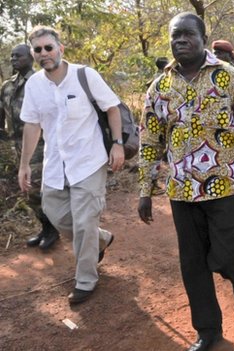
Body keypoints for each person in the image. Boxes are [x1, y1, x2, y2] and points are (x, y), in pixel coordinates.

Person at [137, 12, 234, 351]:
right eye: (175, 35)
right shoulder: (160, 87)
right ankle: (208, 330)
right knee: (193, 263)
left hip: (227, 183)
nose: (180, 40)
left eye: (187, 34)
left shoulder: (229, 79)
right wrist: (145, 190)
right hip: (182, 189)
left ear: (202, 37)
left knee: (227, 255)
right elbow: (150, 141)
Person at [18, 26, 123, 304]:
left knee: (84, 220)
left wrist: (117, 143)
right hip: (56, 165)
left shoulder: (84, 75)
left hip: (88, 162)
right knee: (56, 213)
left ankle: (86, 280)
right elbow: (32, 125)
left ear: (60, 48)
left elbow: (112, 107)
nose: (44, 53)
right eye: (38, 49)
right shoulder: (34, 85)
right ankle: (100, 238)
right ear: (33, 53)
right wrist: (24, 164)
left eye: (48, 47)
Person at [1, 44, 60, 250]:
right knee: (28, 191)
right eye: (11, 56)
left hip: (41, 144)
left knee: (41, 189)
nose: (13, 59)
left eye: (18, 55)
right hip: (18, 146)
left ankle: (53, 229)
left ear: (30, 57)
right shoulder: (7, 86)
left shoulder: (41, 82)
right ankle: (45, 227)